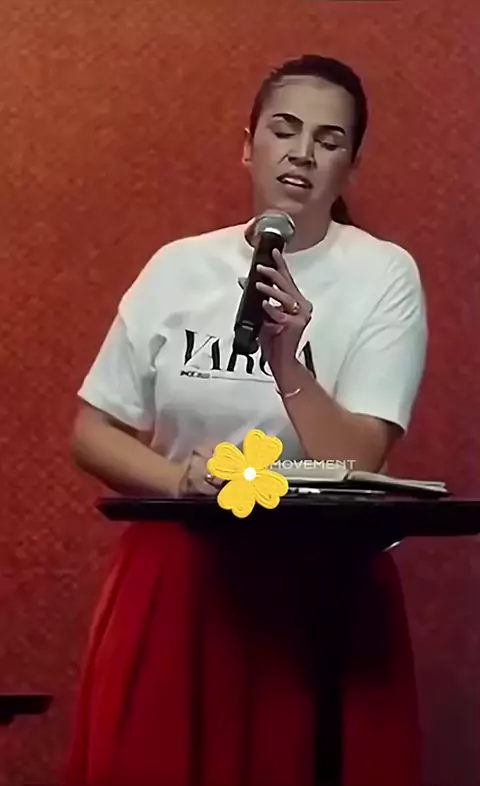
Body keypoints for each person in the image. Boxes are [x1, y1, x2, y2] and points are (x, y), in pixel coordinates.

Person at [64, 55, 427, 786]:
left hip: (316, 585)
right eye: (284, 130)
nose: (302, 153)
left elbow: (359, 459)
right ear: (248, 145)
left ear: (350, 166)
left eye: (328, 140)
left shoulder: (384, 274)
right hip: (179, 580)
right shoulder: (177, 266)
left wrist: (288, 362)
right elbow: (91, 431)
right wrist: (177, 480)